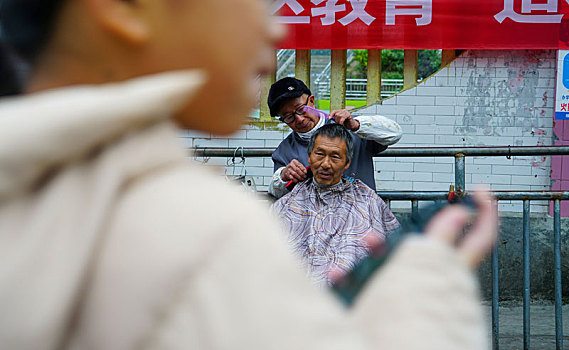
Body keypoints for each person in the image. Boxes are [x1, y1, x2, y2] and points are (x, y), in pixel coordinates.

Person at [0, 0, 497, 349]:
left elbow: (390, 133)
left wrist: (357, 122)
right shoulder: (203, 221)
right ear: (125, 9)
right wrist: (432, 290)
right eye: (252, 5)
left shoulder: (353, 128)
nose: (273, 34)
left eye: (298, 106)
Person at [272, 124, 400, 286]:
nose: (326, 164)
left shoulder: (366, 199)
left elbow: (395, 249)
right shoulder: (289, 202)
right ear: (309, 157)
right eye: (319, 154)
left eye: (335, 157)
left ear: (347, 163)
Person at [267, 77, 402, 199]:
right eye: (288, 117)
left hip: (361, 217)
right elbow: (276, 193)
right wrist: (284, 176)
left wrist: (356, 125)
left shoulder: (351, 129)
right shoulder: (285, 151)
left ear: (312, 101)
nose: (300, 119)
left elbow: (395, 133)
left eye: (301, 109)